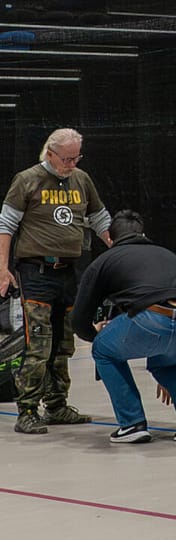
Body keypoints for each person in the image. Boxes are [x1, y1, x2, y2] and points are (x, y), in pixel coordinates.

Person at [0, 126, 112, 433]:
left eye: (77, 158)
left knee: (64, 344)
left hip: (67, 272)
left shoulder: (81, 179)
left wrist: (119, 247)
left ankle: (57, 405)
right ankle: (27, 410)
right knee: (38, 343)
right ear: (50, 154)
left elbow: (100, 218)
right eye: (67, 159)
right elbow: (6, 225)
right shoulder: (27, 180)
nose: (72, 164)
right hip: (35, 273)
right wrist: (2, 268)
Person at [69, 210, 176, 444]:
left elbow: (78, 321)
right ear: (142, 234)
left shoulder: (104, 261)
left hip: (154, 319)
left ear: (110, 238)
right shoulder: (166, 253)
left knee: (103, 349)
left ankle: (132, 423)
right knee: (164, 360)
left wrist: (96, 334)